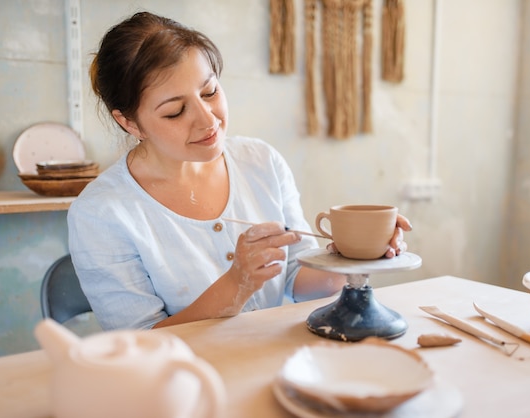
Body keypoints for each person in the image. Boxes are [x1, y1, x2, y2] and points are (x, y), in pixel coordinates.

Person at [67, 11, 412, 331]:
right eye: (175, 111)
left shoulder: (261, 161)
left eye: (210, 91)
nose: (208, 119)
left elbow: (298, 278)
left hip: (274, 365)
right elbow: (140, 342)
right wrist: (237, 283)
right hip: (180, 386)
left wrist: (355, 255)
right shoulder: (100, 212)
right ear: (129, 123)